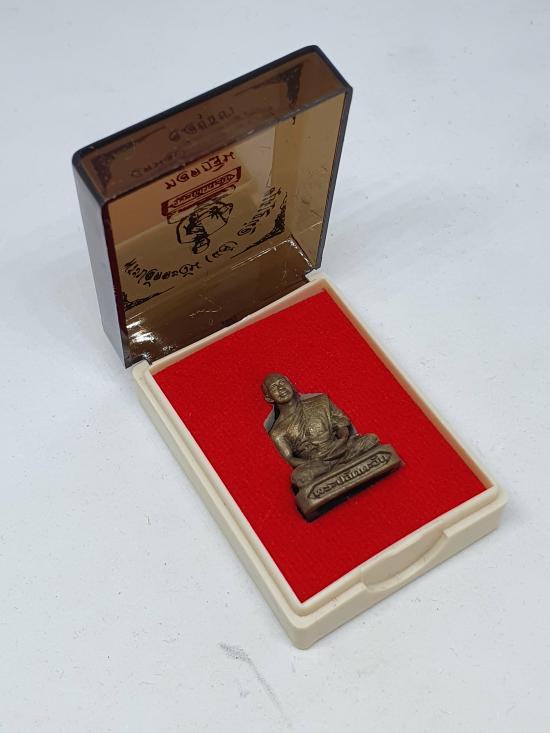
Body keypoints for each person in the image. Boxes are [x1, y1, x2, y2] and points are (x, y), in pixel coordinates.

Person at [262, 373, 379, 492]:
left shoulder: (321, 401)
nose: (281, 388)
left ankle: (334, 474)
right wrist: (313, 461)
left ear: (291, 384)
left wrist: (343, 438)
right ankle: (345, 468)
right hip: (317, 463)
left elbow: (341, 423)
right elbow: (289, 459)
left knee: (370, 439)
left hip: (340, 448)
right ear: (269, 398)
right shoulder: (277, 432)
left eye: (282, 382)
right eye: (274, 387)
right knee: (300, 477)